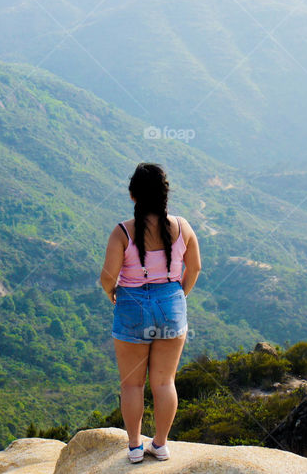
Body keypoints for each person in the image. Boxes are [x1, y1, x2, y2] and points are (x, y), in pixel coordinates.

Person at [100, 162, 201, 464]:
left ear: (134, 196)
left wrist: (113, 295)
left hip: (131, 305)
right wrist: (179, 294)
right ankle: (160, 444)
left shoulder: (122, 232)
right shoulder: (183, 227)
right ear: (164, 195)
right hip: (171, 304)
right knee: (164, 382)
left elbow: (107, 277)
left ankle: (133, 447)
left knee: (132, 384)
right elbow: (194, 268)